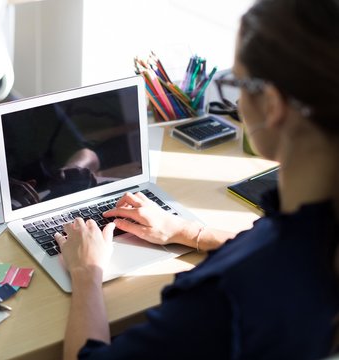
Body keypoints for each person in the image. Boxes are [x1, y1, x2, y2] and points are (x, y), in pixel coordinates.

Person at [53, 0, 339, 358]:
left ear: (272, 104)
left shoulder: (219, 301)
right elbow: (277, 245)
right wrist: (186, 232)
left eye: (236, 82)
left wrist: (87, 272)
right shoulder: (315, 235)